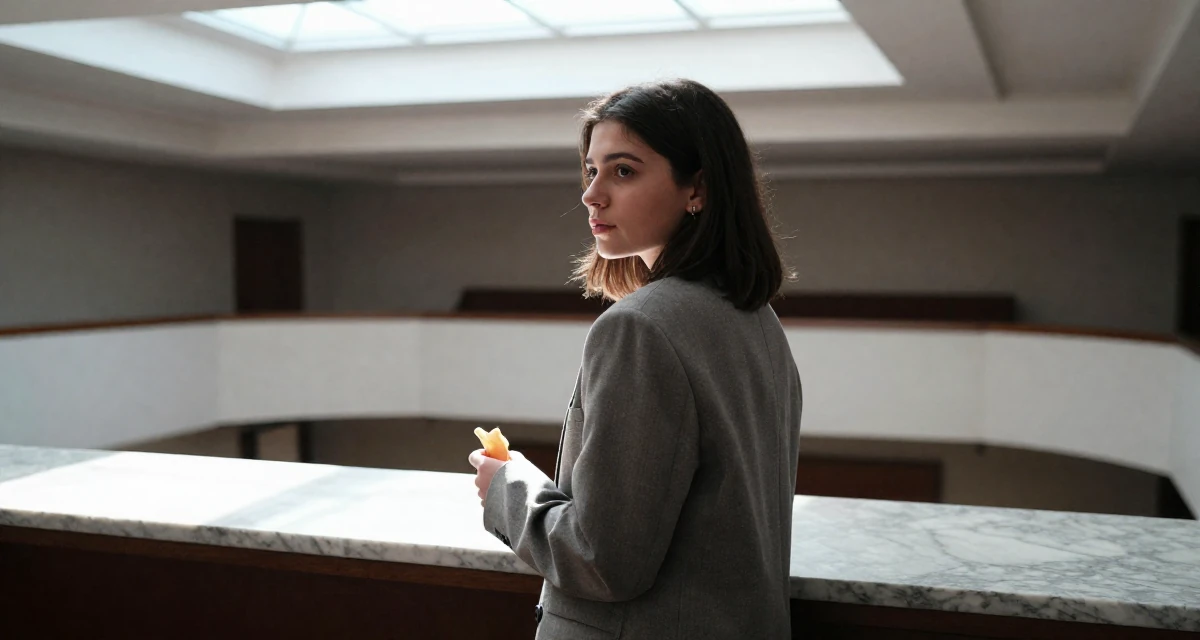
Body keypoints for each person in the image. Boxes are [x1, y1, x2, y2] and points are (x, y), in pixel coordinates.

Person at [468, 78, 803, 639]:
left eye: (624, 171)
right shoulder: (759, 322)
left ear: (697, 187)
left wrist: (507, 487)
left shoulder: (639, 327)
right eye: (591, 170)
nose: (592, 194)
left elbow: (603, 559)